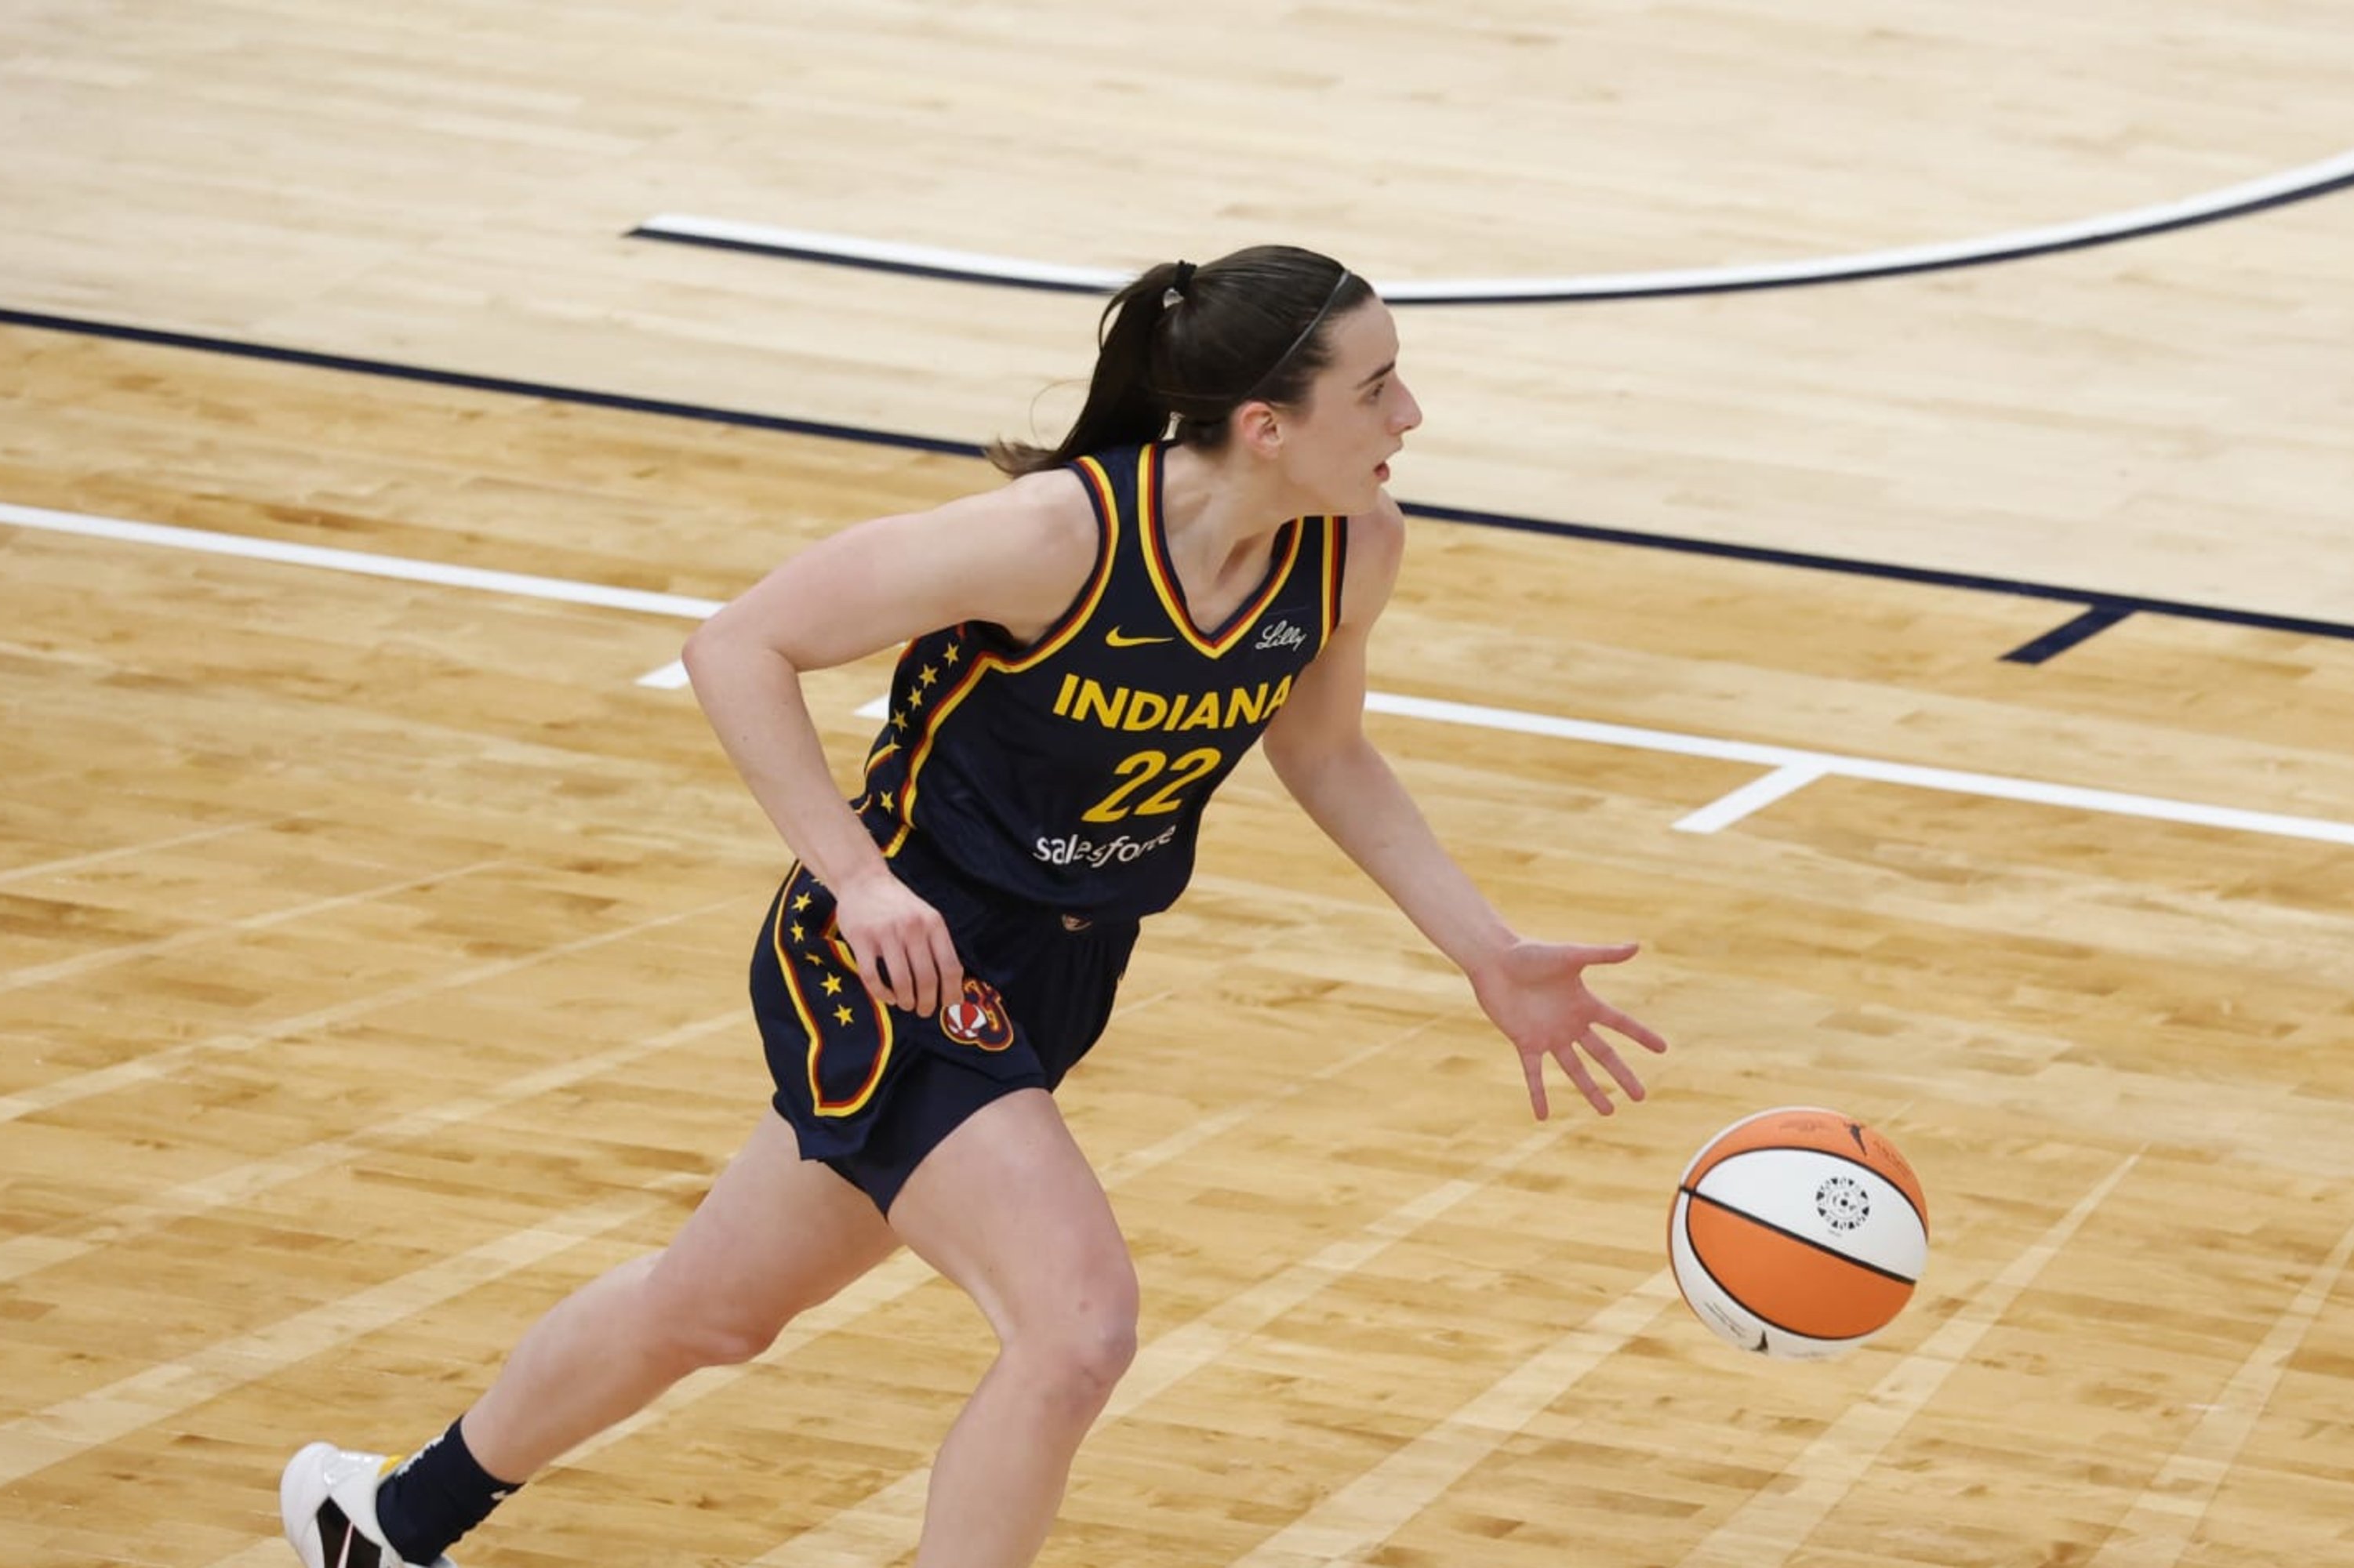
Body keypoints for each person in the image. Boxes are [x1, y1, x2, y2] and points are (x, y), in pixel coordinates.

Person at [278, 243, 1669, 1568]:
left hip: (1063, 970)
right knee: (1079, 1332)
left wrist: (1485, 949)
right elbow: (738, 645)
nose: (1409, 414)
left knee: (713, 1309)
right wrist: (861, 879)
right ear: (1263, 423)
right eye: (1376, 389)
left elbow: (1325, 753)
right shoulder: (1051, 538)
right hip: (896, 957)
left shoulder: (1347, 545)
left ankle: (388, 1518)